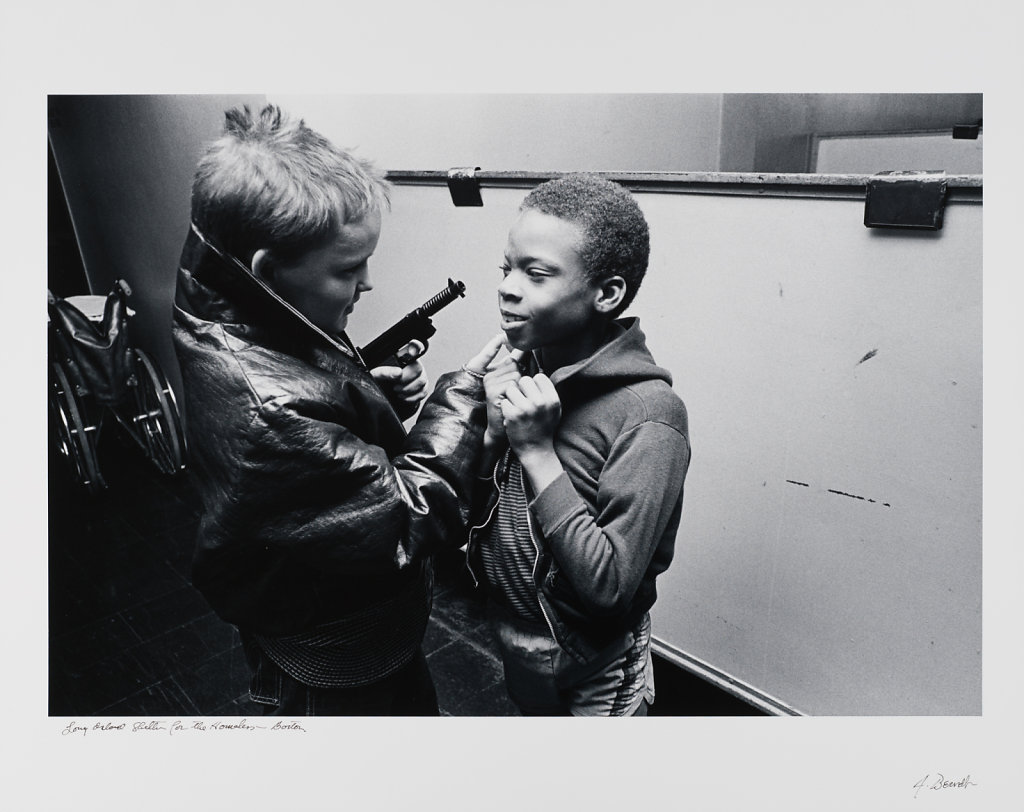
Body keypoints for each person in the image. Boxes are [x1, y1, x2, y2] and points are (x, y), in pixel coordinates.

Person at [171, 104, 502, 715]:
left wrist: (364, 399)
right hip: (336, 651)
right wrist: (464, 393)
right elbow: (411, 514)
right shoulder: (271, 411)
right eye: (350, 267)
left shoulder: (231, 300)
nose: (369, 282)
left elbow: (307, 407)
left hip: (310, 601)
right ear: (268, 273)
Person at [469, 173, 691, 716]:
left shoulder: (650, 417)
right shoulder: (523, 370)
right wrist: (494, 436)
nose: (507, 287)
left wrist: (537, 452)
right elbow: (474, 522)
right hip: (522, 645)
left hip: (597, 668)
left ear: (606, 293)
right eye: (507, 268)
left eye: (536, 273)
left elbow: (609, 588)